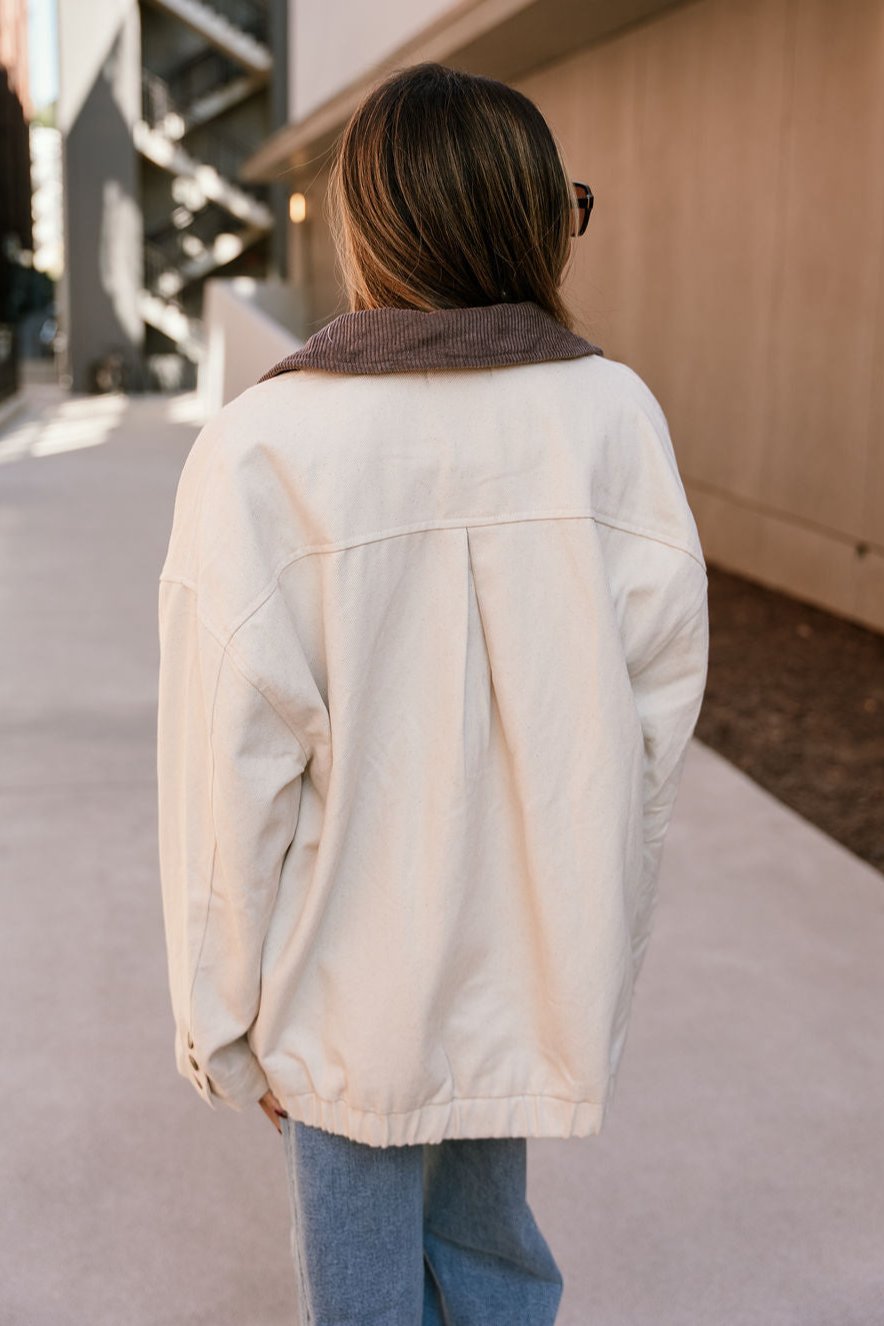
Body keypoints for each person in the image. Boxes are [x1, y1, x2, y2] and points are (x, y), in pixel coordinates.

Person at [156, 60, 709, 1325]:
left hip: (340, 981)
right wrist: (586, 944)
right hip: (524, 948)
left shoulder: (265, 446)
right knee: (494, 1253)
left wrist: (224, 1023)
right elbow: (647, 734)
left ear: (368, 227)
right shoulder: (612, 416)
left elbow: (222, 776)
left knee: (360, 1284)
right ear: (528, 220)